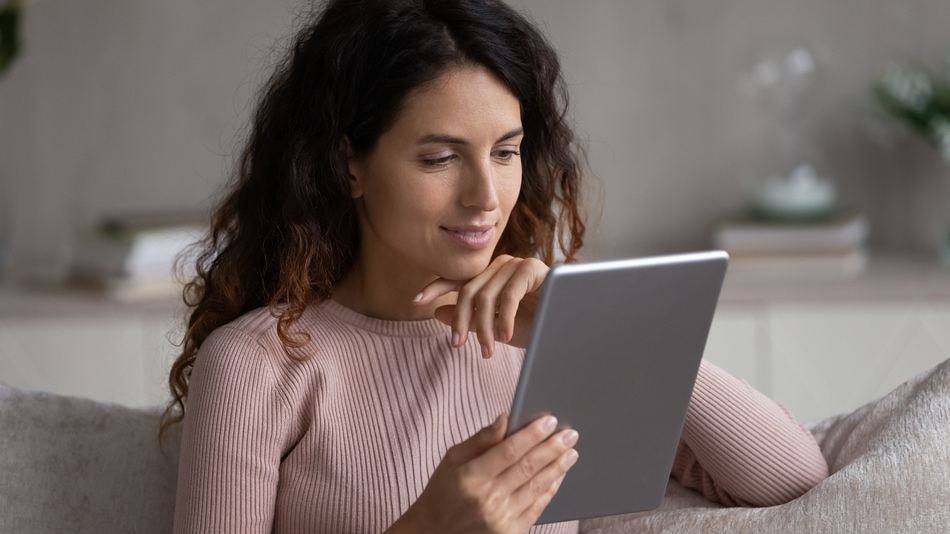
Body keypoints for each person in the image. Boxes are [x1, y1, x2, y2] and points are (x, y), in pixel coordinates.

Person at [162, 0, 829, 532]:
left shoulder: (550, 344)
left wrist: (594, 325)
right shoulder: (258, 366)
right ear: (349, 164)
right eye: (441, 157)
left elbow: (795, 481)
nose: (486, 196)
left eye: (506, 152)